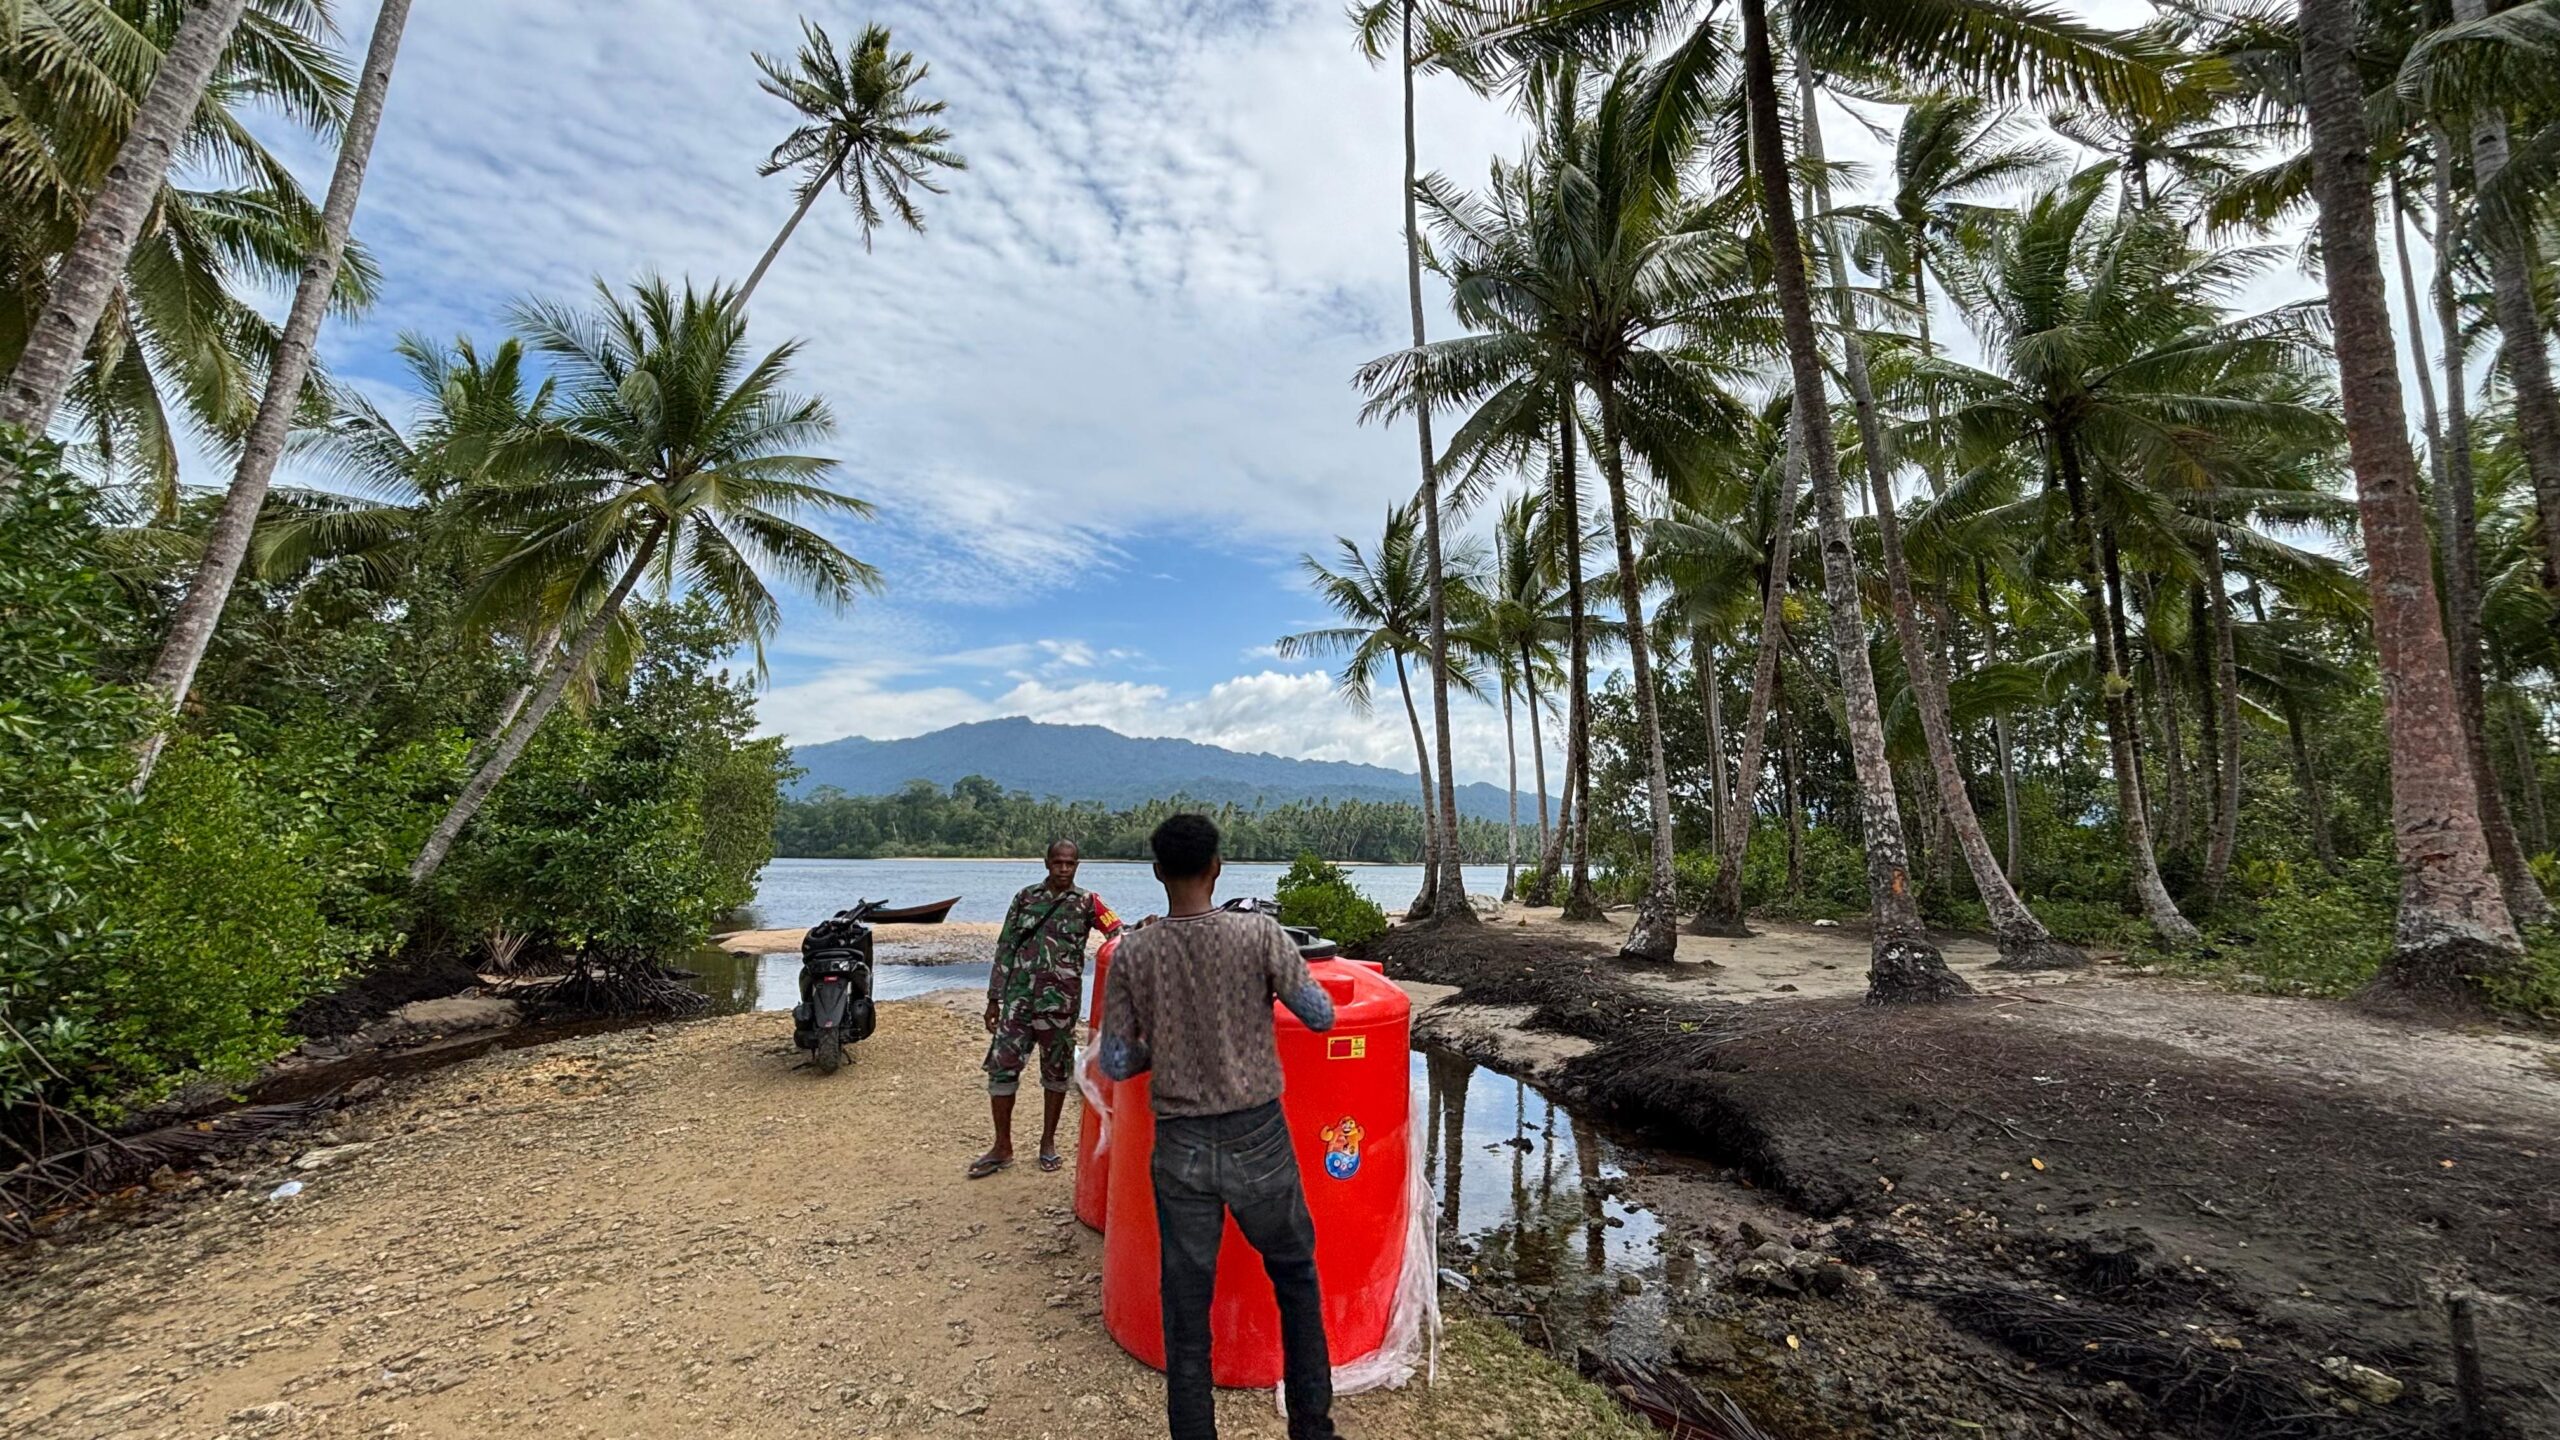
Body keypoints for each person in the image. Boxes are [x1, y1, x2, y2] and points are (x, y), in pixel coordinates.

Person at [1100, 813, 1344, 1440]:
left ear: (1158, 873)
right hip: (1258, 1137)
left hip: (1179, 1146)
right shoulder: (1259, 935)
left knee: (1185, 1307)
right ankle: (1312, 1427)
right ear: (1217, 868)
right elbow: (1318, 1016)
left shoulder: (1135, 951)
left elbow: (1119, 1060)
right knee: (1294, 1274)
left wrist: (1172, 1045)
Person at [971, 839, 1119, 1179]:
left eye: (1070, 864)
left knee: (1055, 1075)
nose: (1063, 869)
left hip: (1060, 1006)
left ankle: (1048, 1143)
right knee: (1002, 1069)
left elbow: (1116, 932)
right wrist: (994, 999)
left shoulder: (1088, 903)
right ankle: (1001, 1146)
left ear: (1077, 865)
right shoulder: (1025, 899)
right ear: (1046, 863)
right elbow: (1006, 947)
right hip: (1019, 1002)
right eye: (1057, 863)